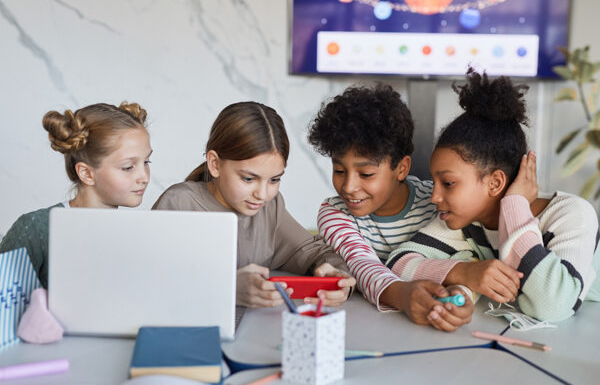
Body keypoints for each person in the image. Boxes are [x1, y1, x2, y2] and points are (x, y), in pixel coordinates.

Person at [386, 68, 600, 322]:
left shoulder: (572, 215)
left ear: (495, 182)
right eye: (435, 182)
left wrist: (515, 206)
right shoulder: (466, 221)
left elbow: (552, 306)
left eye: (448, 183)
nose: (434, 197)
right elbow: (398, 263)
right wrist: (465, 273)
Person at [152, 102, 356, 308]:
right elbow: (151, 279)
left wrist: (337, 276)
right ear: (215, 164)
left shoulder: (270, 208)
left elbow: (314, 253)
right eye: (248, 179)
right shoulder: (178, 204)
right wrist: (228, 289)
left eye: (274, 180)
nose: (262, 194)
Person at [307, 84, 474, 332]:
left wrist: (462, 295)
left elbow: (466, 259)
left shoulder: (437, 204)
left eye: (366, 173)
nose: (349, 186)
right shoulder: (335, 214)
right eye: (339, 170)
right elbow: (361, 263)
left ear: (402, 169)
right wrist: (403, 295)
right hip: (366, 330)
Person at [0, 102, 152, 288]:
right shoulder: (37, 230)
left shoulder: (141, 235)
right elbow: (5, 308)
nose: (144, 177)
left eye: (147, 161)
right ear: (87, 173)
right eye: (128, 167)